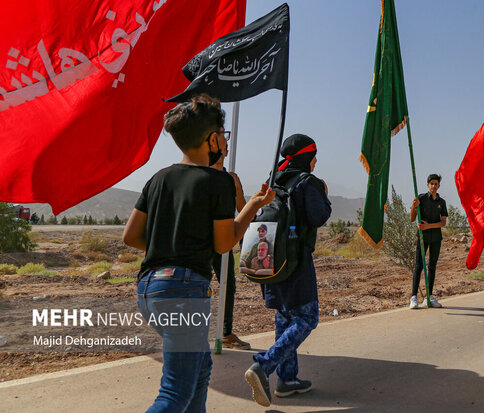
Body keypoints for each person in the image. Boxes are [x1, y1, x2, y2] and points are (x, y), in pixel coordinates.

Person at [122, 94, 274, 413]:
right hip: (184, 291)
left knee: (201, 369)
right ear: (212, 138)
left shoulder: (159, 178)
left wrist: (171, 245)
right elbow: (223, 244)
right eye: (223, 133)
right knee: (175, 391)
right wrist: (251, 207)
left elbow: (131, 236)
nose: (225, 140)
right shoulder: (217, 181)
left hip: (150, 289)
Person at [244, 134, 331, 407]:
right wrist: (324, 197)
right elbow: (319, 216)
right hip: (296, 261)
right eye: (314, 155)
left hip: (270, 259)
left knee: (284, 316)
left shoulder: (275, 179)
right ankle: (264, 365)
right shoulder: (306, 182)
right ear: (306, 156)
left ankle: (287, 380)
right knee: (307, 317)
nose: (316, 161)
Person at [210, 133, 251, 350]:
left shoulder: (232, 178)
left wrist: (241, 192)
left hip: (224, 240)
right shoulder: (201, 175)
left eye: (223, 147)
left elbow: (242, 208)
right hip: (201, 240)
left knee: (228, 285)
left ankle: (225, 333)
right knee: (197, 285)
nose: (221, 151)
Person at [409, 173, 448, 309]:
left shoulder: (441, 202)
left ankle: (429, 297)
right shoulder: (421, 198)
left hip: (436, 237)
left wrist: (428, 226)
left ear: (438, 186)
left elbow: (443, 222)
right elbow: (412, 219)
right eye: (431, 184)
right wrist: (414, 207)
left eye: (436, 184)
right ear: (427, 185)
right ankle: (413, 297)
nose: (433, 186)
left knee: (432, 265)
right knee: (419, 265)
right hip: (422, 237)